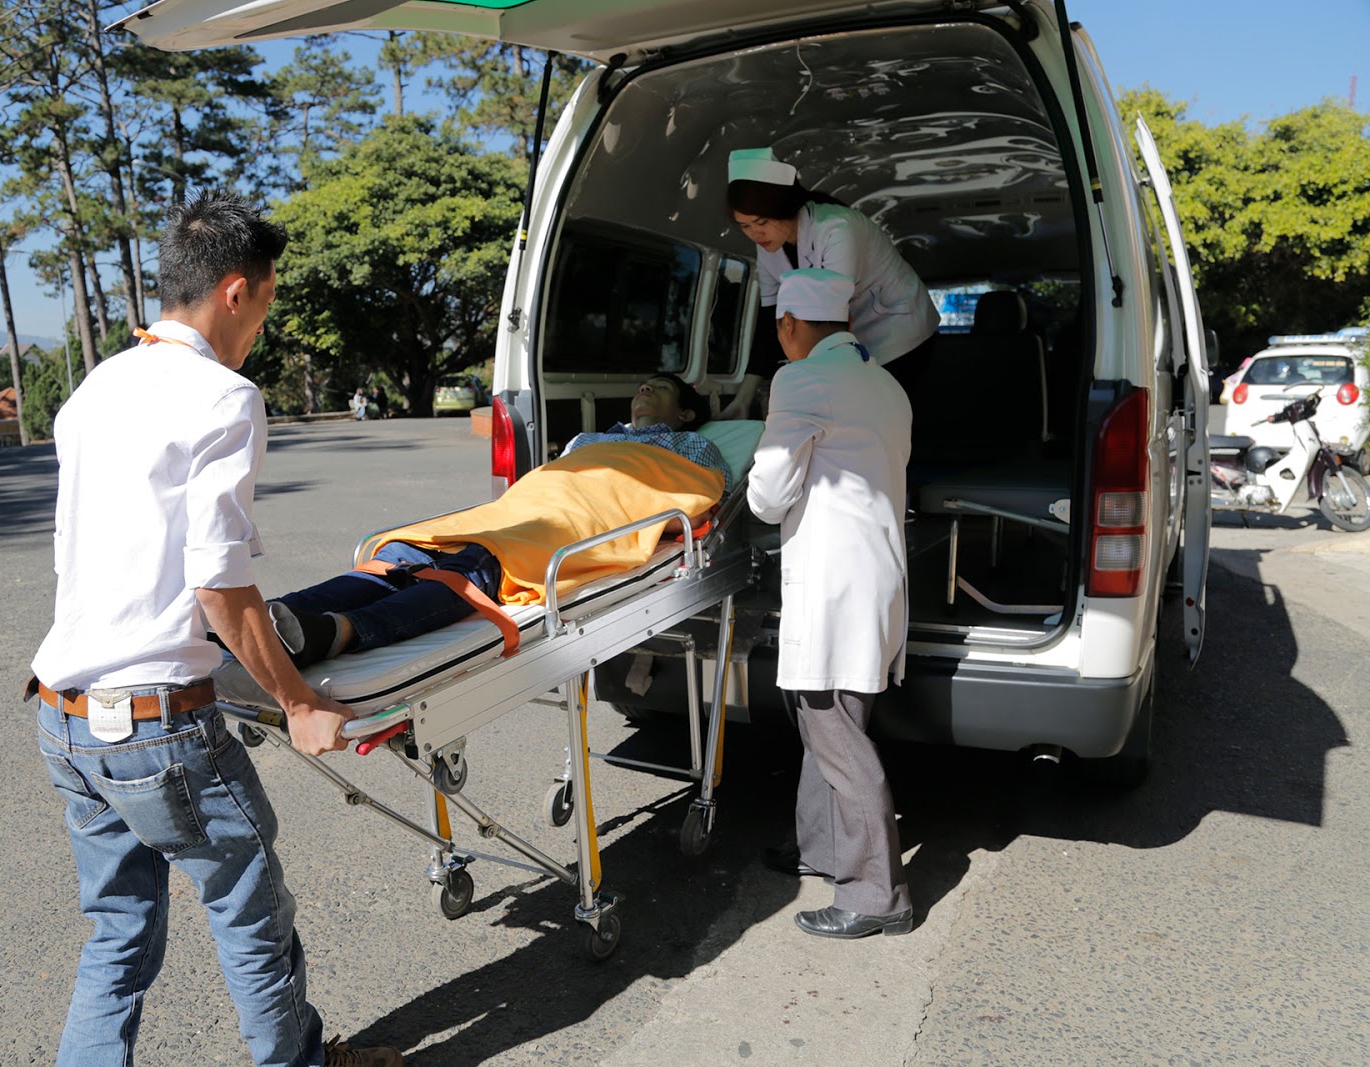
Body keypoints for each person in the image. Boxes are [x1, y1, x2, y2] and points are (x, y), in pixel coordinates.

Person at [28, 191, 403, 1067]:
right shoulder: (223, 397)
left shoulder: (92, 390)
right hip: (156, 728)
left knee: (118, 933)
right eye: (265, 304)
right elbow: (219, 584)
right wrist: (298, 700)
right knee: (251, 910)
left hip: (64, 715)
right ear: (236, 291)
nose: (261, 329)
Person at [268, 373, 730, 668]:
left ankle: (337, 632)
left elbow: (698, 501)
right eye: (642, 385)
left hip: (582, 517)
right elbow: (546, 480)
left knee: (479, 564)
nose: (644, 389)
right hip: (527, 505)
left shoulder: (690, 446)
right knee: (409, 550)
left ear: (686, 413)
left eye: (660, 387)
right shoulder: (586, 440)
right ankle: (268, 616)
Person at [747, 268, 914, 940]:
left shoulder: (800, 380)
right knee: (828, 723)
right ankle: (820, 850)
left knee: (836, 735)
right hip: (877, 578)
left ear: (789, 324)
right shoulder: (885, 383)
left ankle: (877, 894)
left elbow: (768, 495)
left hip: (835, 585)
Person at [720, 146, 939, 420]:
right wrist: (743, 399)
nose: (755, 234)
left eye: (761, 222)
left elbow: (830, 318)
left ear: (782, 207)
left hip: (899, 329)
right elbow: (769, 321)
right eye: (744, 226)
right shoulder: (768, 247)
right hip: (854, 336)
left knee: (880, 419)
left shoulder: (837, 228)